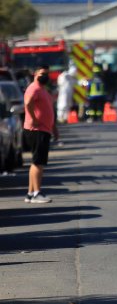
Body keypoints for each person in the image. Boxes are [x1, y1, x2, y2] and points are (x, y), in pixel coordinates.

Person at [23, 66, 58, 204]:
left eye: (47, 74)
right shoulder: (34, 88)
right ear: (35, 74)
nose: (45, 76)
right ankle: (37, 193)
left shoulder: (42, 89)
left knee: (36, 162)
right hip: (37, 130)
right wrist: (34, 119)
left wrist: (54, 128)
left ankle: (30, 193)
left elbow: (48, 108)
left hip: (43, 129)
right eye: (43, 73)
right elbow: (28, 102)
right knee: (38, 162)